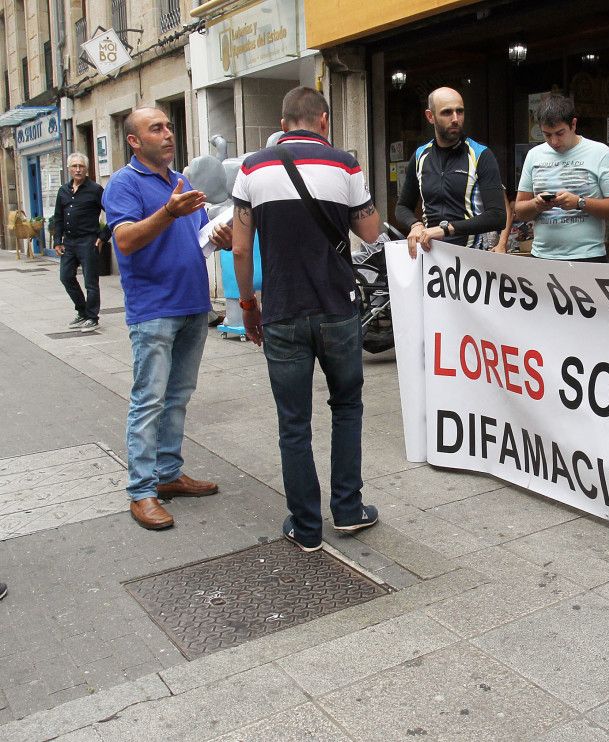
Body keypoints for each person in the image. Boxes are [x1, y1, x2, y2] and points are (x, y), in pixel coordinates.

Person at [231, 86, 382, 552]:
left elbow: (239, 246)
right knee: (347, 407)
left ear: (283, 123)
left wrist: (248, 307)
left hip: (281, 310)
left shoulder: (252, 167)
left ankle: (306, 526)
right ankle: (349, 510)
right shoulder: (345, 164)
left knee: (293, 422)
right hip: (337, 307)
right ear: (323, 122)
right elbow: (371, 232)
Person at [103, 106, 232, 531]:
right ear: (135, 141)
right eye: (155, 128)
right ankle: (142, 490)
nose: (167, 133)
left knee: (177, 396)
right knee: (148, 400)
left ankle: (168, 473)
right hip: (154, 310)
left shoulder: (181, 181)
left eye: (169, 126)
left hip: (193, 305)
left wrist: (220, 237)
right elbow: (124, 240)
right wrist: (169, 213)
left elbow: (196, 238)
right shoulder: (123, 183)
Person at [396, 87, 507, 257]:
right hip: (434, 258)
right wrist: (415, 225)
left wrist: (446, 230)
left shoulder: (481, 155)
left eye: (460, 111)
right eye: (447, 112)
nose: (455, 119)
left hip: (472, 258)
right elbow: (402, 206)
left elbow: (497, 216)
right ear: (430, 116)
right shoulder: (420, 156)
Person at [514, 95, 609, 261]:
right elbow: (520, 210)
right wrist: (537, 204)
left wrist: (580, 203)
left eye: (559, 133)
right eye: (547, 135)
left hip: (587, 255)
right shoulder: (534, 155)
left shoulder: (600, 153)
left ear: (573, 124)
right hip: (542, 256)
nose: (554, 141)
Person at [51, 153, 110, 332]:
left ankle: (92, 317)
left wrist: (103, 236)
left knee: (91, 282)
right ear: (69, 168)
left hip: (88, 241)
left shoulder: (95, 189)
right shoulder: (63, 190)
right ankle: (82, 311)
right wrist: (57, 240)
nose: (78, 169)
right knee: (66, 277)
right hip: (69, 242)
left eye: (81, 166)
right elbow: (58, 217)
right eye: (74, 166)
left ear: (86, 169)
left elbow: (114, 212)